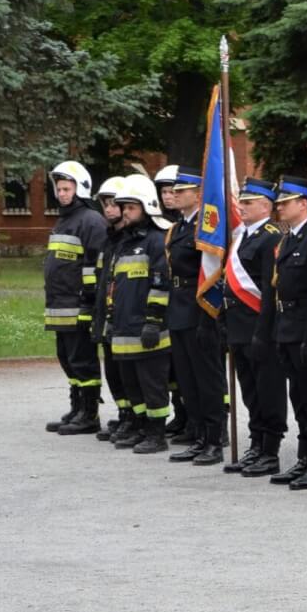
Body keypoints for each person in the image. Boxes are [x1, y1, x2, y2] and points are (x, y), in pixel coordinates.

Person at [268, 175, 307, 490]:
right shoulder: (290, 238)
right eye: (278, 203)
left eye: (285, 202)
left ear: (303, 203)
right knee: (298, 396)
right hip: (287, 327)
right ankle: (305, 458)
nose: (279, 207)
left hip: (305, 329)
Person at [223, 180, 288, 477]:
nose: (242, 207)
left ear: (266, 206)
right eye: (242, 202)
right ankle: (256, 442)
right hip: (238, 328)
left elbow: (269, 290)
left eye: (248, 203)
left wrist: (263, 332)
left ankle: (270, 450)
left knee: (268, 390)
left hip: (259, 329)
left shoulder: (270, 238)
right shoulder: (242, 237)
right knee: (250, 391)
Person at [163, 166, 228, 466]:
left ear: (198, 194)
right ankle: (199, 435)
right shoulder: (177, 228)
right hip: (178, 307)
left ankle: (214, 439)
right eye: (174, 191)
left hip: (200, 306)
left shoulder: (209, 226)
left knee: (207, 378)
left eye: (181, 191)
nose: (175, 195)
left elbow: (214, 269)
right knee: (188, 380)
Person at [105, 175, 175, 455]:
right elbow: (113, 286)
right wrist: (110, 319)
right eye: (124, 207)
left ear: (146, 206)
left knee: (153, 385)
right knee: (133, 385)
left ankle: (157, 434)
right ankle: (143, 427)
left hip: (148, 330)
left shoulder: (156, 241)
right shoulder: (123, 243)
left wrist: (153, 322)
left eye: (131, 207)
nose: (125, 212)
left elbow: (161, 284)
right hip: (123, 329)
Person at [40, 162, 108, 434]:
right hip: (59, 304)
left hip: (77, 304)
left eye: (67, 188)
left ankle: (90, 415)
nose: (62, 193)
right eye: (59, 188)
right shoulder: (64, 220)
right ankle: (77, 407)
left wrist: (87, 305)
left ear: (80, 189)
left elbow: (95, 266)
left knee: (82, 359)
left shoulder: (91, 221)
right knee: (67, 357)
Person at [91, 179, 133, 441]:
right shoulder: (109, 239)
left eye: (114, 204)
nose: (109, 209)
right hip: (106, 314)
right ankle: (124, 413)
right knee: (113, 371)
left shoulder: (129, 240)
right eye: (105, 204)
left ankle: (133, 417)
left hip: (125, 317)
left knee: (126, 370)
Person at [154, 166, 192, 442]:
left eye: (174, 191)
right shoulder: (173, 227)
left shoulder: (194, 226)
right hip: (175, 305)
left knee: (197, 372)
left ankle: (204, 428)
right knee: (179, 371)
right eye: (165, 192)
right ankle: (186, 419)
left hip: (192, 307)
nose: (169, 197)